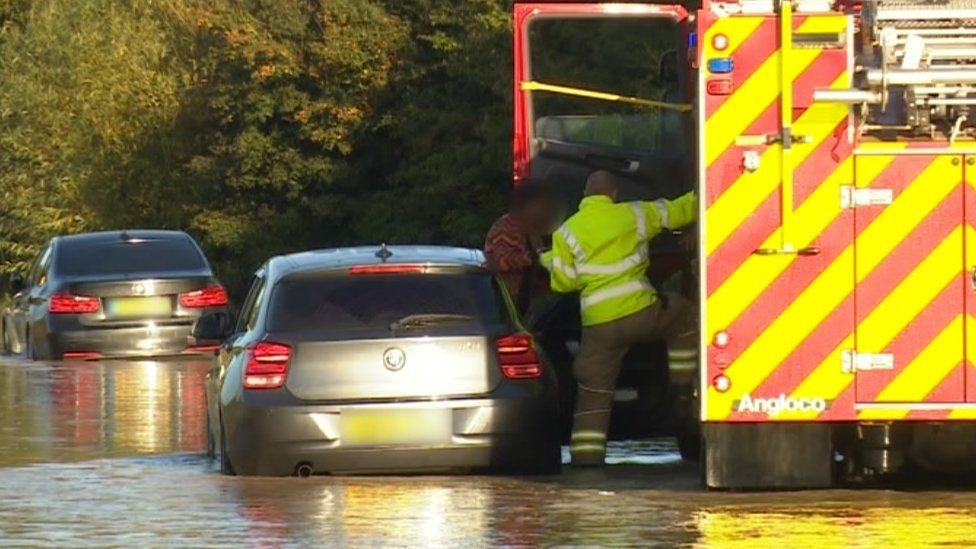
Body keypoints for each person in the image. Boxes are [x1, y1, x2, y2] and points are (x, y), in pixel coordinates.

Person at [540, 170, 698, 466]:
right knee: (686, 317)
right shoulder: (634, 214)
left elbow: (563, 284)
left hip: (599, 327)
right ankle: (680, 390)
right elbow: (679, 211)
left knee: (593, 395)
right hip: (642, 313)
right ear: (613, 195)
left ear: (585, 197)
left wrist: (546, 259)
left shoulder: (566, 233)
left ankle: (587, 461)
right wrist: (704, 184)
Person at [484, 181, 558, 315]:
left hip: (532, 296)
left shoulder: (536, 227)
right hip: (508, 296)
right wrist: (528, 258)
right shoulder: (506, 226)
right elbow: (498, 261)